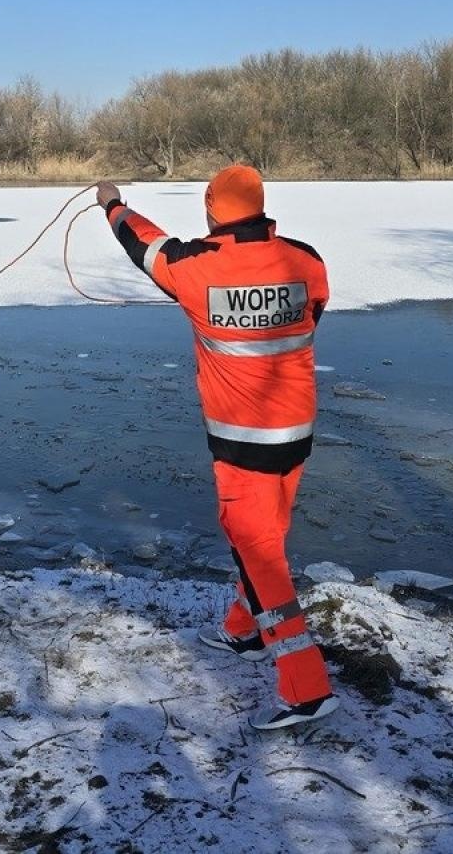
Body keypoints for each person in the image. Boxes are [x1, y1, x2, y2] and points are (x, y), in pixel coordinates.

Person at [94, 166, 338, 730]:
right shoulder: (305, 259)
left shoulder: (195, 265)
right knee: (266, 535)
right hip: (296, 430)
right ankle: (243, 630)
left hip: (242, 439)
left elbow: (143, 243)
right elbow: (313, 312)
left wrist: (112, 202)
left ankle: (306, 686)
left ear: (211, 209)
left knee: (254, 547)